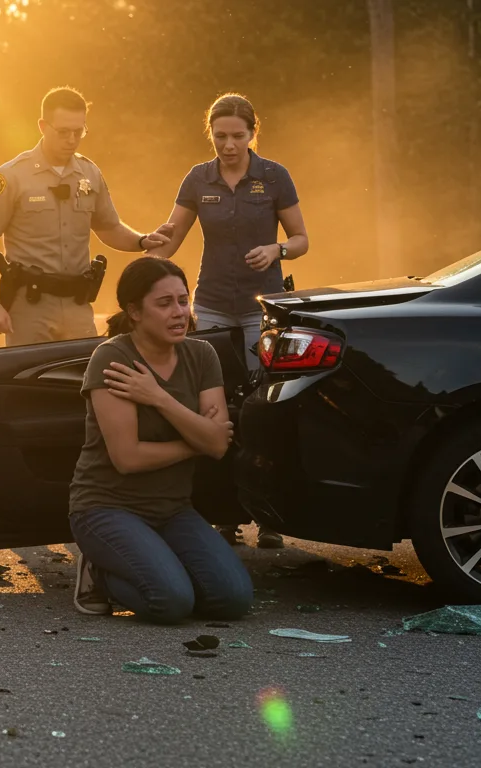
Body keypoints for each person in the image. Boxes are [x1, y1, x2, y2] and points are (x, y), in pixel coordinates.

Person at [146, 92, 310, 549]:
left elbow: (301, 239)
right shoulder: (198, 178)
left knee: (264, 407)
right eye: (220, 136)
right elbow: (170, 239)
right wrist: (144, 245)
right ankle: (224, 514)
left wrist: (276, 249)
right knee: (214, 406)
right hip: (214, 303)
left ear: (253, 133)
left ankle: (271, 516)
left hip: (263, 307)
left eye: (238, 136)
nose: (229, 145)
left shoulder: (274, 176)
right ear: (211, 135)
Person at [68, 257, 253, 623]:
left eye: (183, 300)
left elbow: (218, 446)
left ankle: (156, 563)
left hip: (172, 509)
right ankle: (99, 571)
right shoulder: (113, 358)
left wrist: (157, 397)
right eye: (164, 303)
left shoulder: (202, 355)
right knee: (170, 602)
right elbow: (128, 458)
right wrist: (197, 440)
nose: (179, 312)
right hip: (106, 508)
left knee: (233, 600)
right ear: (135, 312)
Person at [0, 86, 174, 346]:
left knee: (84, 371)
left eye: (78, 132)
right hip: (29, 307)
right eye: (63, 132)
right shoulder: (12, 175)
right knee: (32, 373)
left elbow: (109, 227)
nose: (71, 139)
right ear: (43, 126)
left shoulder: (89, 174)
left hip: (78, 305)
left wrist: (142, 241)